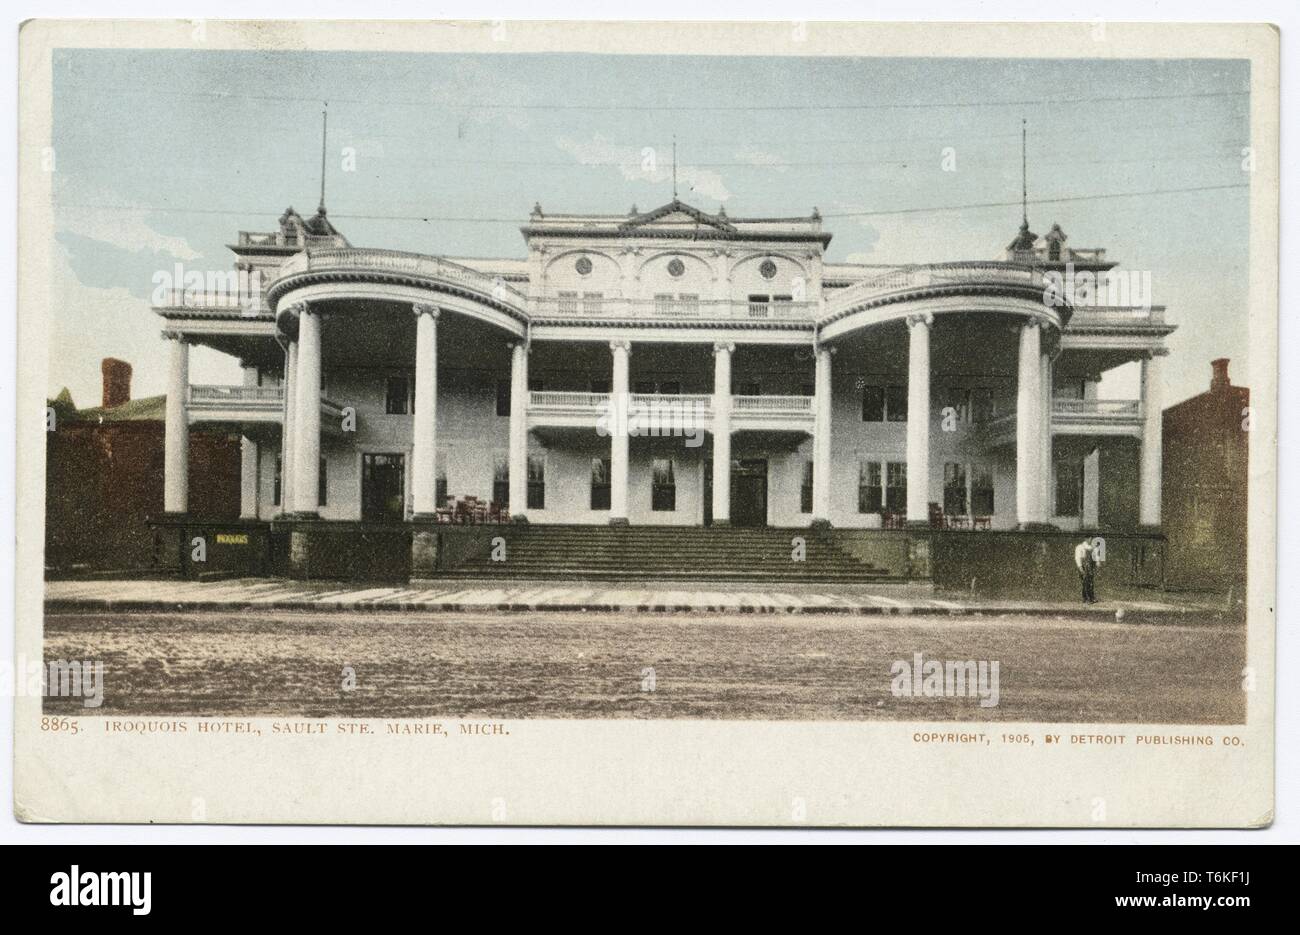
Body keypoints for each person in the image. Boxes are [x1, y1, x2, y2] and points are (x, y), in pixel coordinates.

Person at [1074, 538, 1097, 604]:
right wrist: (1080, 567)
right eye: (1089, 538)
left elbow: (1094, 557)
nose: (1091, 540)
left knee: (1090, 582)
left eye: (1091, 539)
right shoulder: (1080, 547)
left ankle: (1089, 597)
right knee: (1085, 582)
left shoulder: (1092, 547)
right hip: (1083, 566)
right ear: (1086, 539)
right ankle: (1088, 599)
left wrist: (1095, 564)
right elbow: (1078, 558)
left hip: (1090, 566)